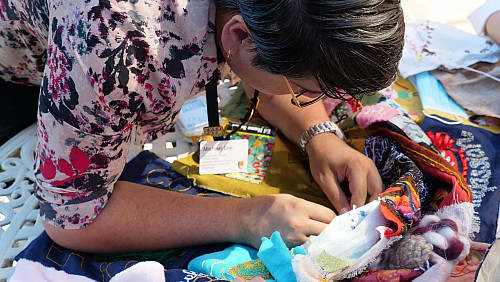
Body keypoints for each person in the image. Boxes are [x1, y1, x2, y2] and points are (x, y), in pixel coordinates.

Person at [0, 0, 404, 253]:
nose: (310, 105)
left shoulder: (257, 23)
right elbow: (71, 216)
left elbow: (280, 28)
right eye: (303, 91)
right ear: (239, 35)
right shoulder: (114, 49)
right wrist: (246, 218)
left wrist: (317, 133)